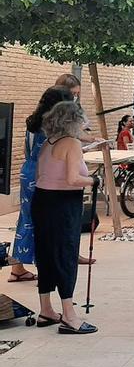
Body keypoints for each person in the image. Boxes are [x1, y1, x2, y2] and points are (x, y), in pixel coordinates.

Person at [31, 101, 101, 334]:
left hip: (42, 201)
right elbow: (72, 179)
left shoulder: (48, 142)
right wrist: (93, 180)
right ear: (74, 121)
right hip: (63, 203)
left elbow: (47, 173)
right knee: (66, 254)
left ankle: (46, 309)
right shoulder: (71, 143)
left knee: (46, 254)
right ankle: (69, 315)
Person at [9, 86, 75, 283]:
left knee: (26, 218)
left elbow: (25, 149)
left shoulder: (33, 120)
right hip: (45, 175)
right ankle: (45, 268)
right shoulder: (54, 125)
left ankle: (17, 268)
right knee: (46, 222)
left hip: (28, 171)